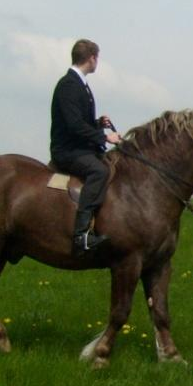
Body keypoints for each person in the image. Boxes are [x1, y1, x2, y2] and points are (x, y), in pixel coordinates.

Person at [50, 39, 123, 255]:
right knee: (98, 171)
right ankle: (81, 235)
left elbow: (80, 121)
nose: (97, 62)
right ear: (91, 58)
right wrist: (105, 137)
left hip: (79, 147)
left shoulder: (80, 84)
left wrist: (98, 123)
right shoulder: (69, 85)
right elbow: (73, 126)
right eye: (97, 58)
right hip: (67, 150)